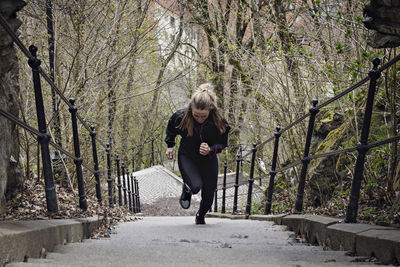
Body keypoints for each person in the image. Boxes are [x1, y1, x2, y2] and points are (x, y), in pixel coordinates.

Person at [165, 83, 230, 224]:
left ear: (210, 110)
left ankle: (200, 215)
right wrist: (170, 146)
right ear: (191, 108)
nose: (199, 119)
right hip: (187, 155)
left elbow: (223, 144)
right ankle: (187, 189)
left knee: (209, 192)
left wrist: (211, 149)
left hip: (208, 158)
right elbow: (171, 129)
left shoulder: (219, 122)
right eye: (196, 116)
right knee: (195, 186)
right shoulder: (180, 116)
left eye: (203, 116)